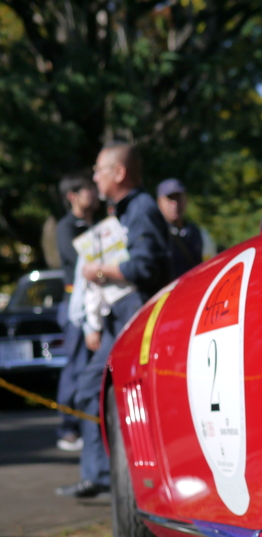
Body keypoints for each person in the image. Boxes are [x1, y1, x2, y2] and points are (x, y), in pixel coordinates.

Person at [56, 142, 173, 499]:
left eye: (99, 170)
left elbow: (146, 266)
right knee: (96, 389)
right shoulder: (124, 211)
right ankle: (107, 474)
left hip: (134, 316)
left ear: (118, 173)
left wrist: (99, 270)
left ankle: (112, 476)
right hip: (119, 317)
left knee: (101, 389)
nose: (94, 177)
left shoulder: (139, 209)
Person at [53, 172, 100, 452]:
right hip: (75, 305)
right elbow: (78, 259)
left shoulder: (98, 222)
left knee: (91, 366)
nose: (92, 194)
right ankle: (67, 428)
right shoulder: (66, 227)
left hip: (97, 304)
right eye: (86, 191)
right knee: (75, 365)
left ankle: (87, 424)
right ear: (72, 196)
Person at [156, 178, 216, 276]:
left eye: (178, 198)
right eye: (170, 198)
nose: (175, 204)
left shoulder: (199, 233)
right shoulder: (155, 235)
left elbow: (211, 267)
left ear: (185, 199)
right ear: (159, 202)